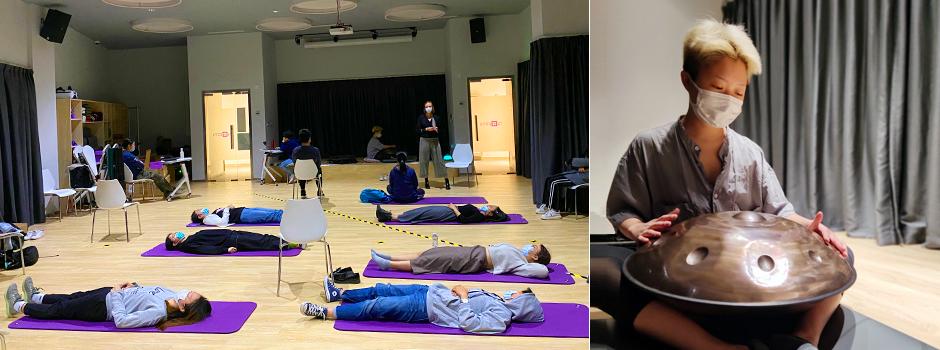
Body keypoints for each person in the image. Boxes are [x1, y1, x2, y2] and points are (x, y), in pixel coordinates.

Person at [601, 19, 850, 350]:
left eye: (738, 91)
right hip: (678, 286)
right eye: (719, 88)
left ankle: (804, 339)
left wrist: (814, 229)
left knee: (842, 257)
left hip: (741, 283)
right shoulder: (649, 147)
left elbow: (780, 211)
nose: (730, 99)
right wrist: (638, 228)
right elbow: (623, 212)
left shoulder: (750, 153)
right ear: (688, 82)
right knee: (603, 270)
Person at [301, 279, 544, 335]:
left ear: (522, 303)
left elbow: (471, 324)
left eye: (519, 293)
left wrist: (464, 298)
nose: (514, 292)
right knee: (382, 288)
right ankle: (340, 294)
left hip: (426, 307)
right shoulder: (500, 301)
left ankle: (326, 313)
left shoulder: (502, 315)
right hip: (431, 291)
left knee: (377, 306)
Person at [5, 277, 211, 330]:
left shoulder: (157, 312)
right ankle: (35, 297)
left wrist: (116, 296)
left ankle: (18, 305)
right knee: (72, 296)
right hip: (113, 293)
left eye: (189, 295)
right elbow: (144, 291)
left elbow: (122, 321)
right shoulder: (171, 294)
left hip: (104, 307)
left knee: (61, 310)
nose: (185, 291)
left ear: (184, 307)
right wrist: (133, 285)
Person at [369, 243, 551, 279]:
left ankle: (388, 265)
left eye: (535, 247)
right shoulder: (518, 252)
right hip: (473, 251)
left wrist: (540, 265)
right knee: (431, 252)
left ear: (535, 257)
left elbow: (542, 272)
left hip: (473, 260)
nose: (531, 245)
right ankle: (390, 256)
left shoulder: (521, 264)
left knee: (433, 262)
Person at [164, 229, 304, 255]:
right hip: (232, 240)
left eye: (173, 233)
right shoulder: (188, 245)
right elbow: (205, 249)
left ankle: (288, 241)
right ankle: (293, 244)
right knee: (262, 242)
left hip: (232, 234)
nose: (176, 234)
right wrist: (225, 250)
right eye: (173, 236)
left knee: (262, 237)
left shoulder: (189, 239)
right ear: (175, 244)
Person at [537, 156, 589, 220]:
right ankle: (547, 205)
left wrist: (572, 160)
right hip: (578, 173)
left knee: (554, 182)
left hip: (584, 177)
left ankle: (555, 211)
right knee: (549, 179)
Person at [416, 101, 450, 190]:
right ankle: (426, 179)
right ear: (424, 108)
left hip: (435, 140)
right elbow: (418, 130)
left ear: (432, 107)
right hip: (424, 140)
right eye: (427, 106)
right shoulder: (421, 118)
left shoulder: (437, 118)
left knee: (439, 160)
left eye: (430, 106)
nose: (428, 108)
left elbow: (442, 130)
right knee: (424, 160)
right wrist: (426, 129)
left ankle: (446, 180)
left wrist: (437, 129)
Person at [375, 203, 508, 224]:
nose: (487, 205)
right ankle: (390, 215)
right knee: (420, 211)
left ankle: (389, 217)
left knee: (422, 213)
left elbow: (463, 220)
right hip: (449, 210)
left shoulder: (479, 216)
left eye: (490, 207)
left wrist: (454, 208)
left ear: (490, 214)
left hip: (448, 214)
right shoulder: (480, 212)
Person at [292, 128, 323, 199]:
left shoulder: (295, 150)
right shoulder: (315, 150)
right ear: (309, 139)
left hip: (300, 174)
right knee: (319, 169)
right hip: (313, 173)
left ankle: (302, 190)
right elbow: (319, 163)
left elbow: (294, 162)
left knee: (300, 169)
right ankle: (319, 190)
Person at [191, 205, 283, 226]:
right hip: (243, 216)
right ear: (199, 216)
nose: (201, 209)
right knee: (272, 215)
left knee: (274, 212)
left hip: (243, 210)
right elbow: (223, 223)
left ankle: (292, 214)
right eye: (199, 211)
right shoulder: (207, 220)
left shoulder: (211, 215)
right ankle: (292, 219)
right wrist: (226, 209)